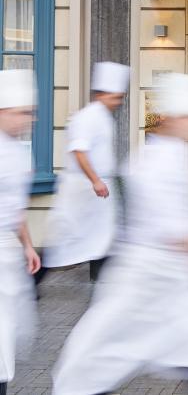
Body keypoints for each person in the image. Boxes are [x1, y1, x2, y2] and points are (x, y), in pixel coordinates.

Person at [53, 74, 188, 395]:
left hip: (173, 278)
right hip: (145, 277)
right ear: (173, 118)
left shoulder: (176, 154)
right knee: (105, 355)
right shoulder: (157, 163)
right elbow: (177, 231)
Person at [39, 62, 130, 283]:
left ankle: (103, 285)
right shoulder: (87, 117)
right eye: (115, 97)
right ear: (101, 94)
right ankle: (33, 278)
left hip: (97, 193)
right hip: (83, 191)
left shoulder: (105, 117)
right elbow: (79, 151)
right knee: (61, 245)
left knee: (103, 240)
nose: (118, 102)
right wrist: (95, 180)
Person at [0, 69, 41, 395]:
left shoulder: (19, 152)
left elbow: (16, 209)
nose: (30, 119)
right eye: (23, 112)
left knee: (6, 337)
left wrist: (27, 245)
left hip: (7, 256)